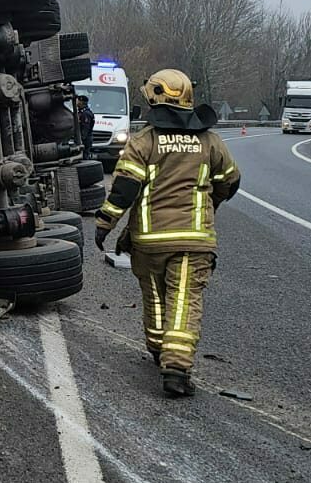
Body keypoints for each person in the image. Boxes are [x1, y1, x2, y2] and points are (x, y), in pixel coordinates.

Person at [93, 69, 240, 398]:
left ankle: (160, 350)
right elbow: (231, 180)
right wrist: (209, 202)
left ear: (152, 99)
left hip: (148, 242)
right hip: (193, 240)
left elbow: (124, 190)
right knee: (184, 302)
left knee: (156, 298)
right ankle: (176, 367)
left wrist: (105, 224)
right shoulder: (210, 141)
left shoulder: (143, 141)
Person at [76, 92, 95, 158]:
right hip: (84, 139)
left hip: (85, 140)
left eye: (77, 100)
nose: (76, 102)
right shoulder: (81, 112)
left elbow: (85, 128)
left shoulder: (86, 114)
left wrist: (81, 139)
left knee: (84, 157)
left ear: (81, 102)